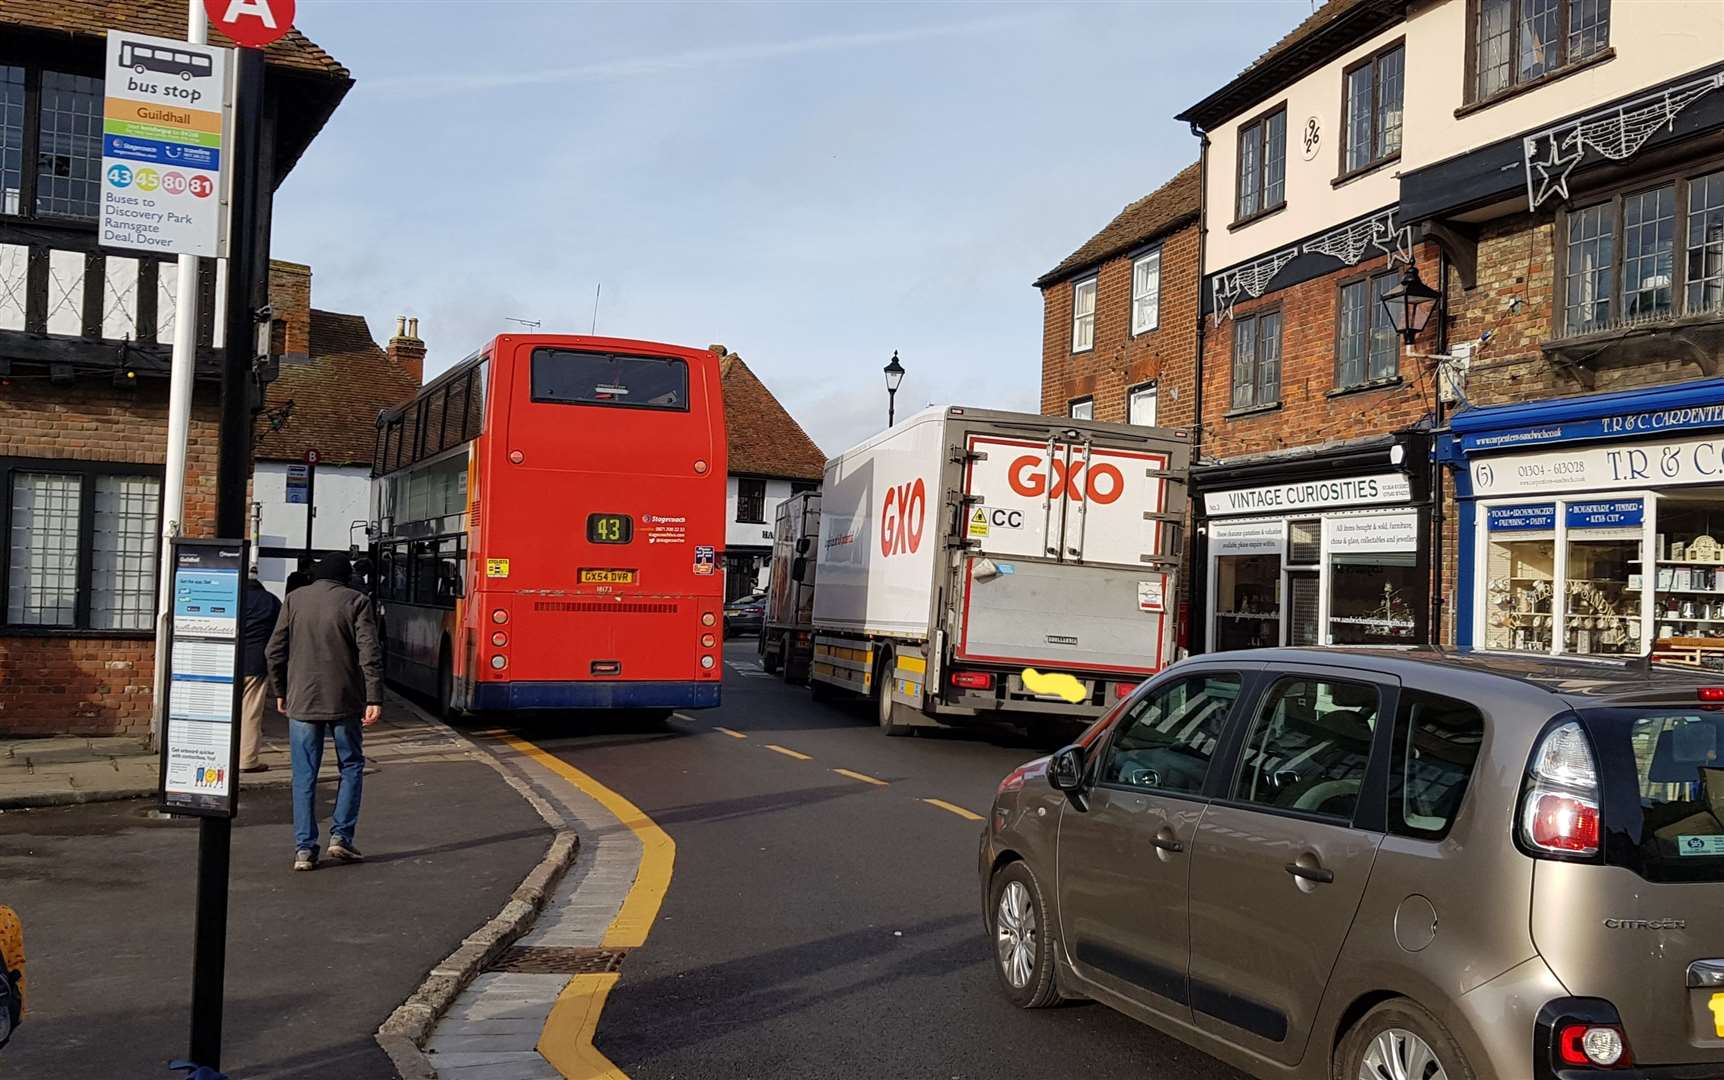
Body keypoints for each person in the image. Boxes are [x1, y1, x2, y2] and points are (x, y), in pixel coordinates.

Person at [265, 553, 384, 872]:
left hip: (301, 700)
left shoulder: (294, 600)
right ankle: (341, 837)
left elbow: (273, 651)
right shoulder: (357, 601)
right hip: (345, 700)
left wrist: (280, 691)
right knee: (351, 765)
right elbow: (369, 654)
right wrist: (374, 696)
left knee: (304, 774)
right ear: (344, 577)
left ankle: (304, 849)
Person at [239, 568, 282, 773]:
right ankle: (247, 760)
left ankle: (218, 756)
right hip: (256, 662)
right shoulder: (271, 601)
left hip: (225, 660)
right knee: (250, 713)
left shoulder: (232, 595)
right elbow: (281, 633)